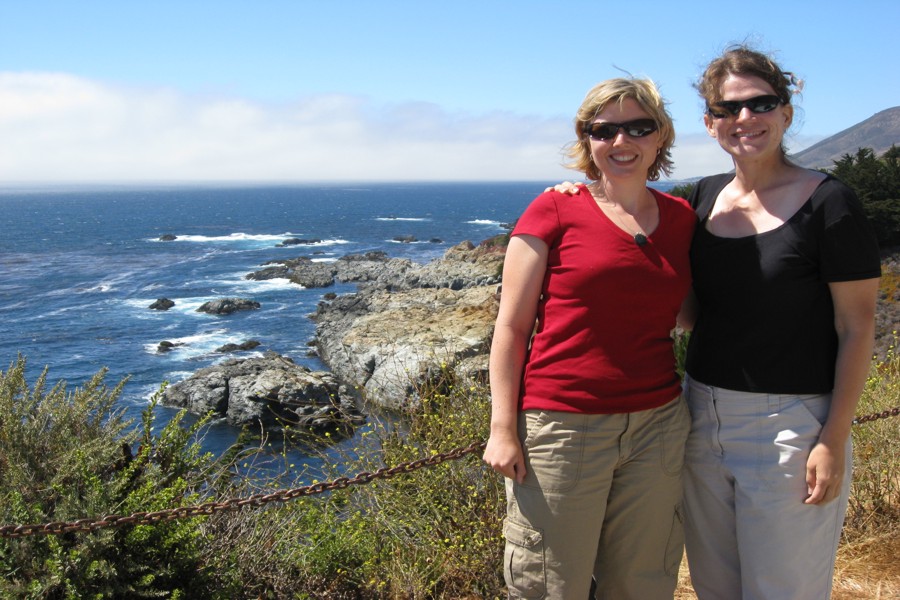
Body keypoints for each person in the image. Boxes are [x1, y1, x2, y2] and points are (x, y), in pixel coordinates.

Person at [679, 45, 881, 599]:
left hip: (791, 426)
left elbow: (857, 327)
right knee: (715, 587)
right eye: (728, 109)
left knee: (781, 591)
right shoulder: (702, 197)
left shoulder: (829, 203)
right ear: (710, 122)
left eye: (760, 103)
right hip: (699, 414)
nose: (745, 119)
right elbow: (693, 310)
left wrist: (833, 440)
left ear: (786, 114)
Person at [482, 77, 696, 599]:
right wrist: (502, 427)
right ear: (588, 139)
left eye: (638, 128)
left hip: (658, 428)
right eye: (604, 130)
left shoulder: (682, 218)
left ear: (660, 136)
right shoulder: (553, 209)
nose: (621, 142)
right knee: (551, 585)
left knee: (643, 583)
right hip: (562, 427)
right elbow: (510, 327)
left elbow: (690, 314)